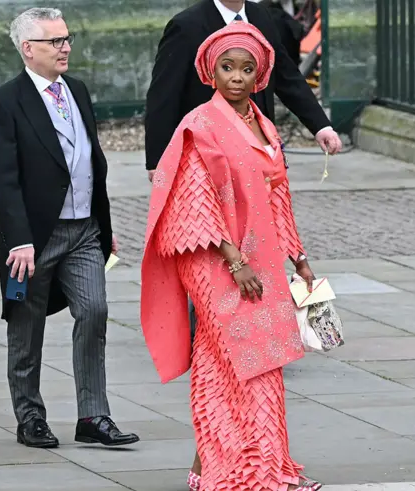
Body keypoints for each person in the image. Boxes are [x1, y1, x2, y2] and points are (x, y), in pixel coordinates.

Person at [141, 21, 321, 491]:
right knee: (239, 353)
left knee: (252, 359)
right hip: (211, 253)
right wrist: (234, 262)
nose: (237, 77)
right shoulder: (198, 125)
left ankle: (243, 468)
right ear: (211, 72)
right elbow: (194, 200)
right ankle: (241, 470)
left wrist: (298, 256)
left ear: (260, 76)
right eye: (228, 67)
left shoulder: (264, 126)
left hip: (259, 252)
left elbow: (278, 195)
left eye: (247, 68)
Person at [0, 7, 139, 449]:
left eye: (67, 39)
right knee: (26, 328)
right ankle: (30, 417)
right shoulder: (4, 102)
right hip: (32, 239)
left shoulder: (79, 91)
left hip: (85, 231)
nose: (65, 47)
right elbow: (3, 179)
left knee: (95, 311)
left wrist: (103, 224)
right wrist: (21, 240)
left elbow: (90, 161)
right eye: (55, 41)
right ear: (28, 50)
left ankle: (93, 415)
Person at [144, 0, 343, 181]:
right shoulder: (186, 26)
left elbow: (286, 76)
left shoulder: (262, 17)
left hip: (259, 148)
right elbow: (163, 95)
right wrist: (158, 160)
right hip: (208, 153)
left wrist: (320, 126)